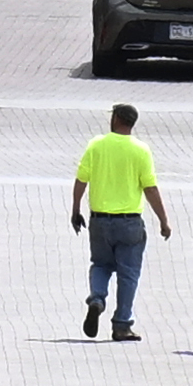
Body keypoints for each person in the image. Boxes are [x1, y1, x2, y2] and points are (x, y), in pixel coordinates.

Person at [72, 102, 162, 338]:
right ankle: (122, 324)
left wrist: (75, 209)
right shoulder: (141, 150)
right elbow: (150, 188)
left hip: (100, 221)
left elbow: (81, 179)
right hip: (130, 222)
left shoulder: (97, 145)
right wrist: (164, 219)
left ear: (115, 119)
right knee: (128, 274)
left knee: (101, 264)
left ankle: (97, 299)